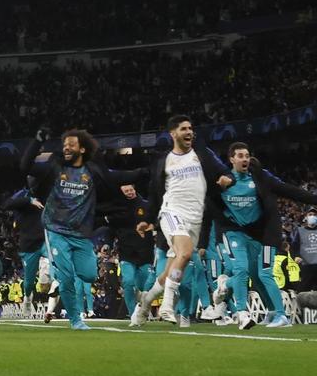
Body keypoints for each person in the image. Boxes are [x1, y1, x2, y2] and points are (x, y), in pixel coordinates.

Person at [22, 128, 145, 330]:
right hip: (55, 229)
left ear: (82, 148)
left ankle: (68, 279)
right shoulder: (55, 166)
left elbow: (116, 177)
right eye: (64, 145)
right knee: (66, 275)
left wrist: (144, 171)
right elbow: (25, 166)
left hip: (80, 234)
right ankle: (75, 320)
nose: (66, 148)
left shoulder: (93, 171)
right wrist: (36, 142)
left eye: (71, 144)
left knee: (88, 275)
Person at [130, 116, 232, 328]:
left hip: (195, 218)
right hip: (171, 212)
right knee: (185, 253)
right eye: (184, 128)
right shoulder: (164, 161)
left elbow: (224, 171)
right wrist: (148, 219)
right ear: (173, 134)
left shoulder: (202, 154)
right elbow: (154, 194)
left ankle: (144, 305)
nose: (189, 132)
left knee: (171, 270)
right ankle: (167, 305)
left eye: (191, 128)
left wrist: (225, 179)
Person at [205, 143, 317, 329]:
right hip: (247, 234)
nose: (245, 159)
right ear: (231, 159)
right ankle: (272, 311)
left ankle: (282, 316)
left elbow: (289, 190)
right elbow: (209, 198)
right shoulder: (223, 182)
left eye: (247, 155)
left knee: (264, 273)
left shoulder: (260, 179)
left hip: (267, 235)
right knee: (254, 275)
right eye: (240, 156)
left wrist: (314, 199)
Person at [100, 185, 154, 317]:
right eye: (126, 191)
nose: (129, 193)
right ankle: (133, 314)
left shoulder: (146, 206)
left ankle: (144, 309)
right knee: (128, 282)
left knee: (143, 286)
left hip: (145, 253)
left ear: (135, 190)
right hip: (126, 253)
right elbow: (110, 230)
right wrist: (107, 244)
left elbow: (154, 223)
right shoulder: (117, 210)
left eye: (131, 190)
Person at [1, 181, 48, 317]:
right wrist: (29, 201)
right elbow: (6, 205)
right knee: (28, 282)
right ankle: (27, 297)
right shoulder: (23, 194)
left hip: (45, 239)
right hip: (28, 244)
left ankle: (46, 276)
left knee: (54, 259)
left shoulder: (48, 192)